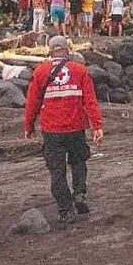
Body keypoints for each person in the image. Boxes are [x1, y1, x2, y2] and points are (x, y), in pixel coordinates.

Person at [24, 35, 104, 223]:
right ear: (67, 50)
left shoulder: (41, 72)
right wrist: (97, 125)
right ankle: (79, 194)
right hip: (76, 127)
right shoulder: (80, 70)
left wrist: (29, 125)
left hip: (52, 130)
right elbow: (90, 101)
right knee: (78, 162)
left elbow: (32, 103)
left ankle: (65, 210)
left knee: (57, 171)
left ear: (49, 51)